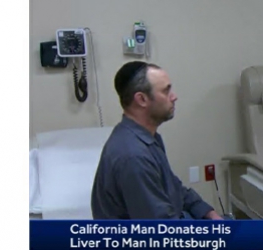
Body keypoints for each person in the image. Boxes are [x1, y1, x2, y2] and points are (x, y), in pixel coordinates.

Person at [91, 61, 223, 220]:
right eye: (166, 91)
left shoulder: (146, 138)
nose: (174, 97)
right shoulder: (133, 156)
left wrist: (208, 213)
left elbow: (173, 187)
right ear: (142, 99)